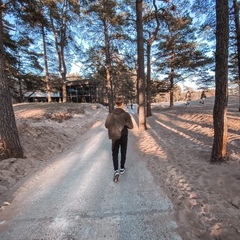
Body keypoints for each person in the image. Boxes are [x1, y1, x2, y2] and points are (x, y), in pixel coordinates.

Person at [105, 97, 133, 182]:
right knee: (123, 151)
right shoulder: (126, 115)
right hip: (123, 135)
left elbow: (106, 125)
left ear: (116, 104)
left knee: (115, 153)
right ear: (122, 104)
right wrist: (125, 124)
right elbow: (131, 126)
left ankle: (116, 170)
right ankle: (122, 168)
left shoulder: (110, 114)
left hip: (114, 136)